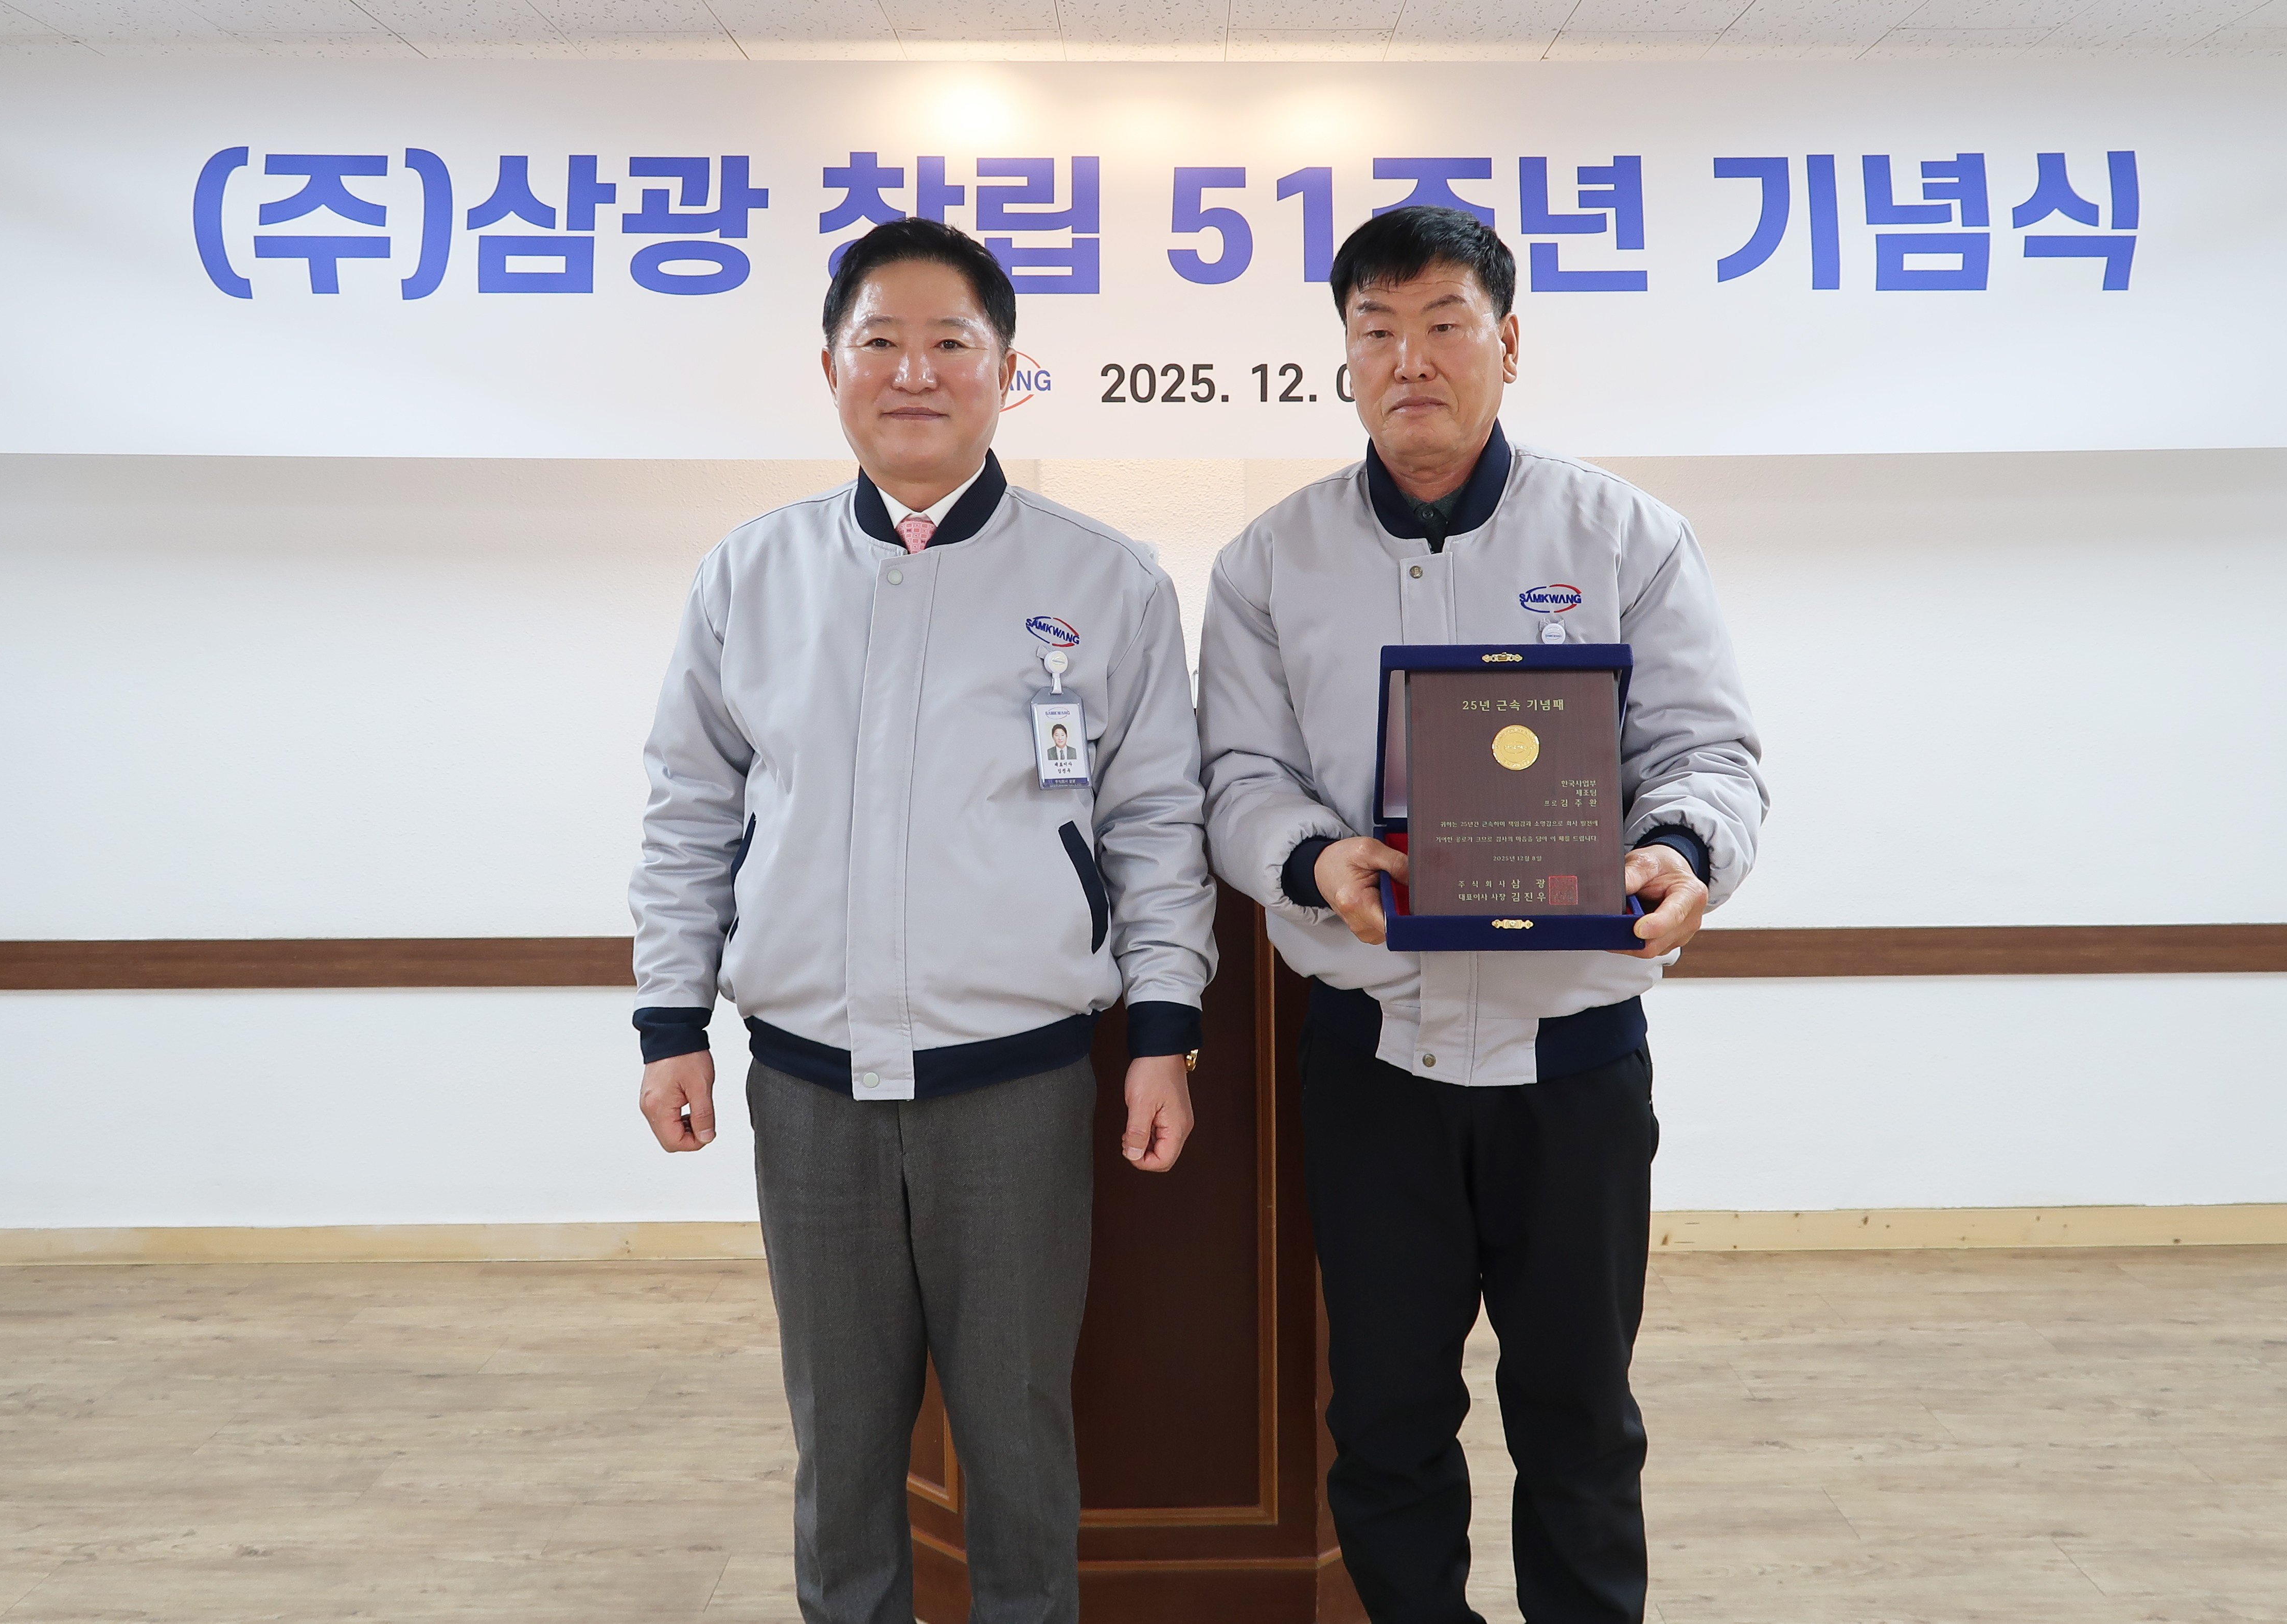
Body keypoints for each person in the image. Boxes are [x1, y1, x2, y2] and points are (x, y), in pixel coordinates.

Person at [629, 217, 1216, 1624]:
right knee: (839, 1450)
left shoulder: (1105, 581)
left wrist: (1165, 1030)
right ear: (829, 368)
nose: (914, 372)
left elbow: (1157, 826)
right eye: (879, 341)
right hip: (807, 1087)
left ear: (1009, 371)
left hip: (1014, 1087)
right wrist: (670, 1018)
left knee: (1017, 1444)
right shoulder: (750, 577)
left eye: (951, 342)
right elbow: (688, 811)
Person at [1196, 206, 1766, 1624]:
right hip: (1373, 1062)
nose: (1412, 360)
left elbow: (1708, 753)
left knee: (1580, 1416)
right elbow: (1240, 778)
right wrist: (1313, 859)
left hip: (1573, 1064)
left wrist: (1683, 850)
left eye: (1446, 325)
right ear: (1344, 359)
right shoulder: (1270, 562)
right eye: (1378, 331)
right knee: (1386, 1418)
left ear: (1509, 346)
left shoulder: (1626, 538)